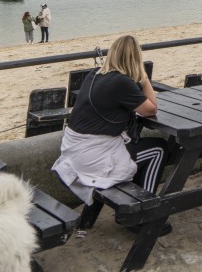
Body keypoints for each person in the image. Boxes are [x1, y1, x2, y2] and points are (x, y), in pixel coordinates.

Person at [52, 35, 168, 222]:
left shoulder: (95, 74)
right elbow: (151, 109)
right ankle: (142, 216)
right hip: (92, 157)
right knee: (158, 149)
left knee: (141, 150)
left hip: (74, 152)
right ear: (136, 59)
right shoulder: (121, 82)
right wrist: (144, 77)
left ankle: (104, 214)